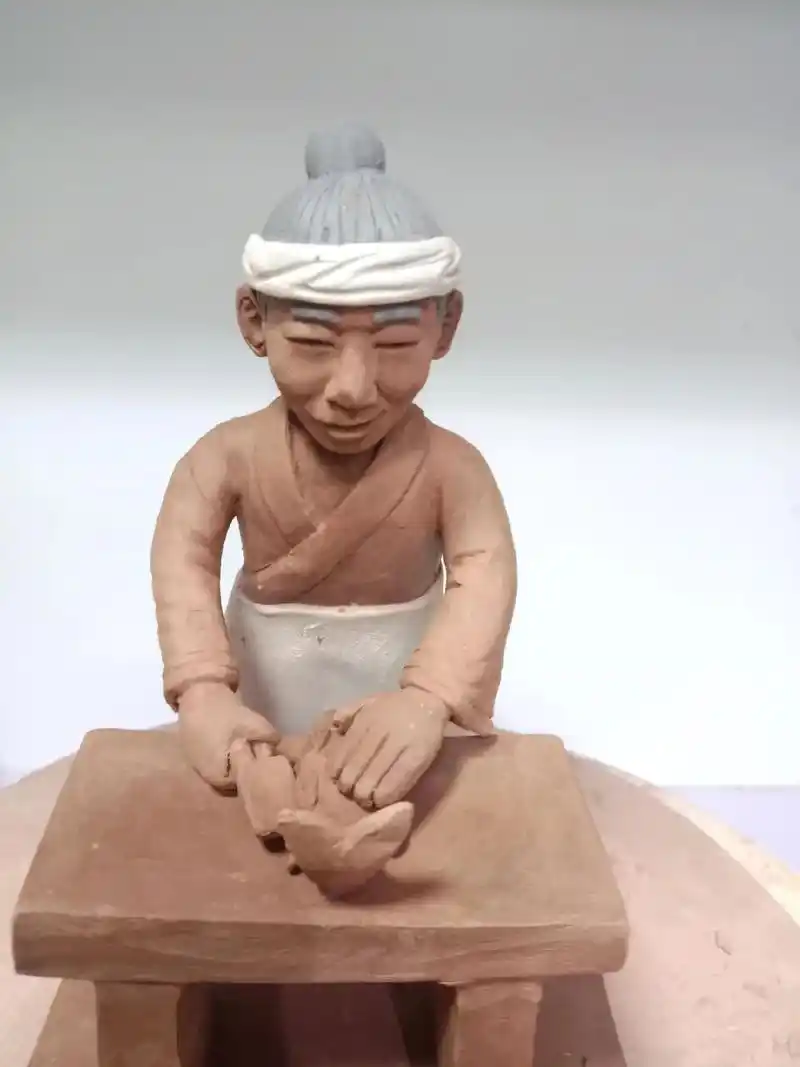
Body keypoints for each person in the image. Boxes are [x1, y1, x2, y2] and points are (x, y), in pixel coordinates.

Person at [150, 124, 517, 895]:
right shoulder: (224, 457)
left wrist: (428, 699)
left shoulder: (452, 469)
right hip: (260, 688)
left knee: (389, 787)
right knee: (255, 794)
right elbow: (183, 556)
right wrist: (205, 688)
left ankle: (349, 842)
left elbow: (483, 574)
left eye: (394, 345)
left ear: (445, 327)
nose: (352, 388)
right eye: (314, 344)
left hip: (402, 691)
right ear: (254, 321)